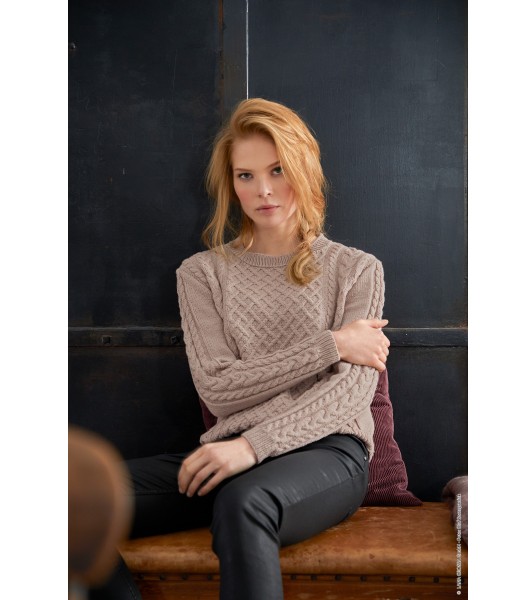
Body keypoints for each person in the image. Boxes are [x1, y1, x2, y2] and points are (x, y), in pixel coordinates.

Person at [90, 97, 390, 600]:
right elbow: (219, 388)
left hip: (328, 452)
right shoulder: (202, 274)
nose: (263, 190)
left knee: (244, 503)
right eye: (245, 176)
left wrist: (253, 447)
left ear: (304, 169)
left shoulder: (357, 269)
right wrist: (332, 344)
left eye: (277, 170)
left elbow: (348, 396)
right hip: (231, 450)